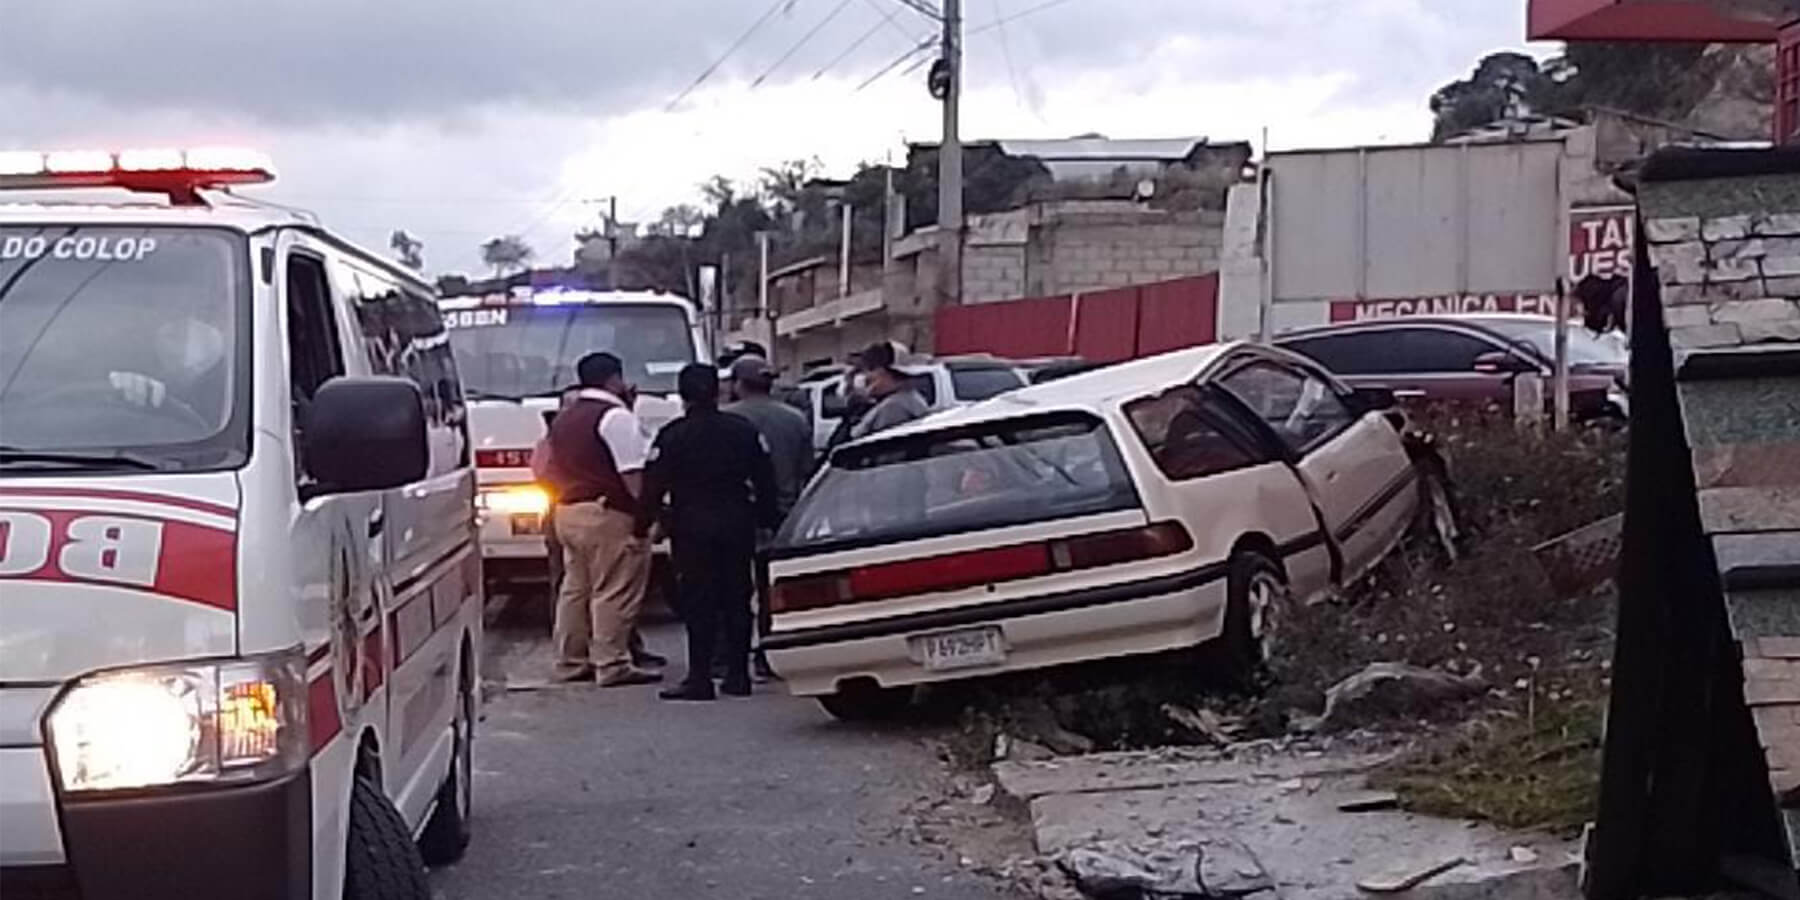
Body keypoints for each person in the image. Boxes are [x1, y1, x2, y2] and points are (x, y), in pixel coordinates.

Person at [635, 363, 779, 701]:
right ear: (719, 391)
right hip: (736, 521)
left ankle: (700, 677)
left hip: (691, 525)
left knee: (699, 600)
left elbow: (653, 485)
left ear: (683, 396)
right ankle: (737, 675)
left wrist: (642, 524)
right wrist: (768, 518)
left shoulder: (672, 435)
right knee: (737, 597)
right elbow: (765, 479)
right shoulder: (743, 430)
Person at [542, 353, 661, 686]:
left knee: (575, 589)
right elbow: (632, 473)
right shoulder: (614, 417)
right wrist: (648, 513)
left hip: (567, 512)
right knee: (614, 588)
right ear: (615, 379)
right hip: (606, 513)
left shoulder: (566, 417)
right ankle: (611, 663)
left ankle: (570, 660)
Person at [722, 354, 814, 680]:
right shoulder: (796, 419)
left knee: (733, 586)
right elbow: (806, 470)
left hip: (736, 513)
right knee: (771, 587)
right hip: (786, 515)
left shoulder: (727, 418)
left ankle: (729, 654)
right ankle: (770, 651)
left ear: (738, 383)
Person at [848, 340, 930, 441]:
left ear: (889, 372)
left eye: (871, 369)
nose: (866, 377)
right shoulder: (908, 399)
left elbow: (881, 451)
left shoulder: (893, 408)